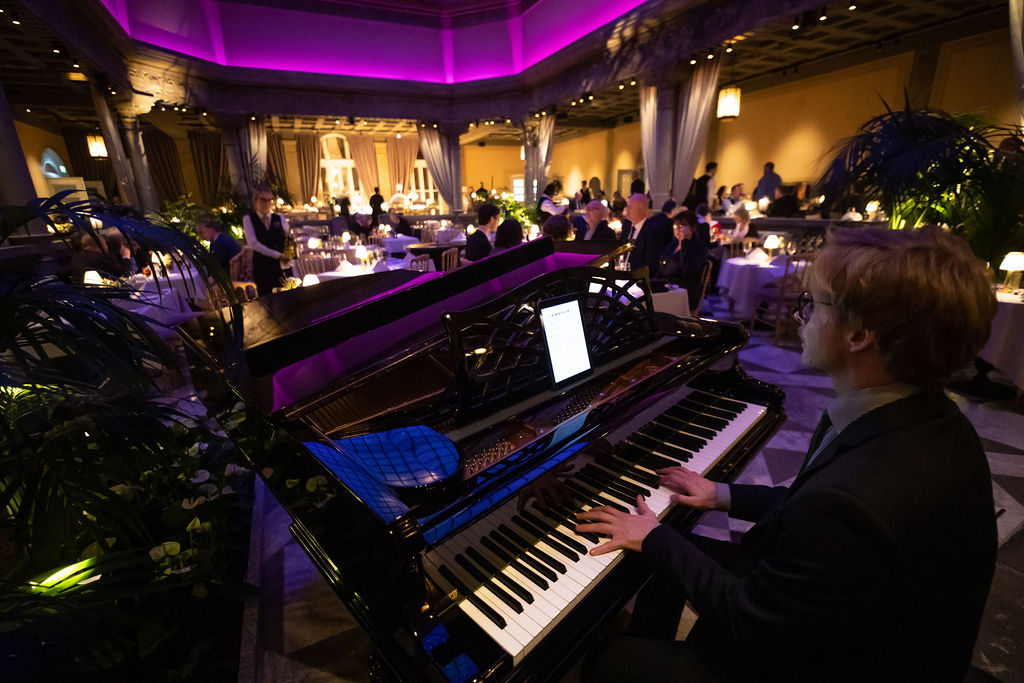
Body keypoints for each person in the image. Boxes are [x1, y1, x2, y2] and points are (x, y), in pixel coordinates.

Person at [577, 225, 997, 682]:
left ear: (859, 335)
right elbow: (817, 513)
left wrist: (655, 537)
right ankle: (649, 640)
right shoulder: (934, 421)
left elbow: (751, 622)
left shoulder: (856, 500)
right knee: (664, 559)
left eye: (813, 304)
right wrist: (724, 494)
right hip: (843, 618)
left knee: (613, 661)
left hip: (826, 659)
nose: (801, 317)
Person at [242, 183, 293, 296]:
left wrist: (290, 257)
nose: (267, 203)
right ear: (255, 201)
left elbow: (290, 238)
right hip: (262, 268)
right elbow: (253, 243)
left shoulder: (280, 218)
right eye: (263, 200)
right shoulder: (248, 219)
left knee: (288, 298)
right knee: (268, 300)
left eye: (269, 200)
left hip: (282, 267)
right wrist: (278, 255)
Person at [657, 210, 708, 310]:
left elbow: (688, 269)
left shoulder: (697, 247)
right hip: (666, 287)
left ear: (692, 228)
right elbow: (661, 264)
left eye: (682, 226)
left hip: (685, 292)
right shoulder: (673, 244)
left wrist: (685, 242)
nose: (678, 229)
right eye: (676, 226)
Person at [621, 192, 673, 274]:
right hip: (622, 275)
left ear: (641, 209)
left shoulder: (652, 230)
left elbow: (651, 264)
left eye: (630, 207)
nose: (627, 211)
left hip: (638, 280)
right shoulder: (627, 227)